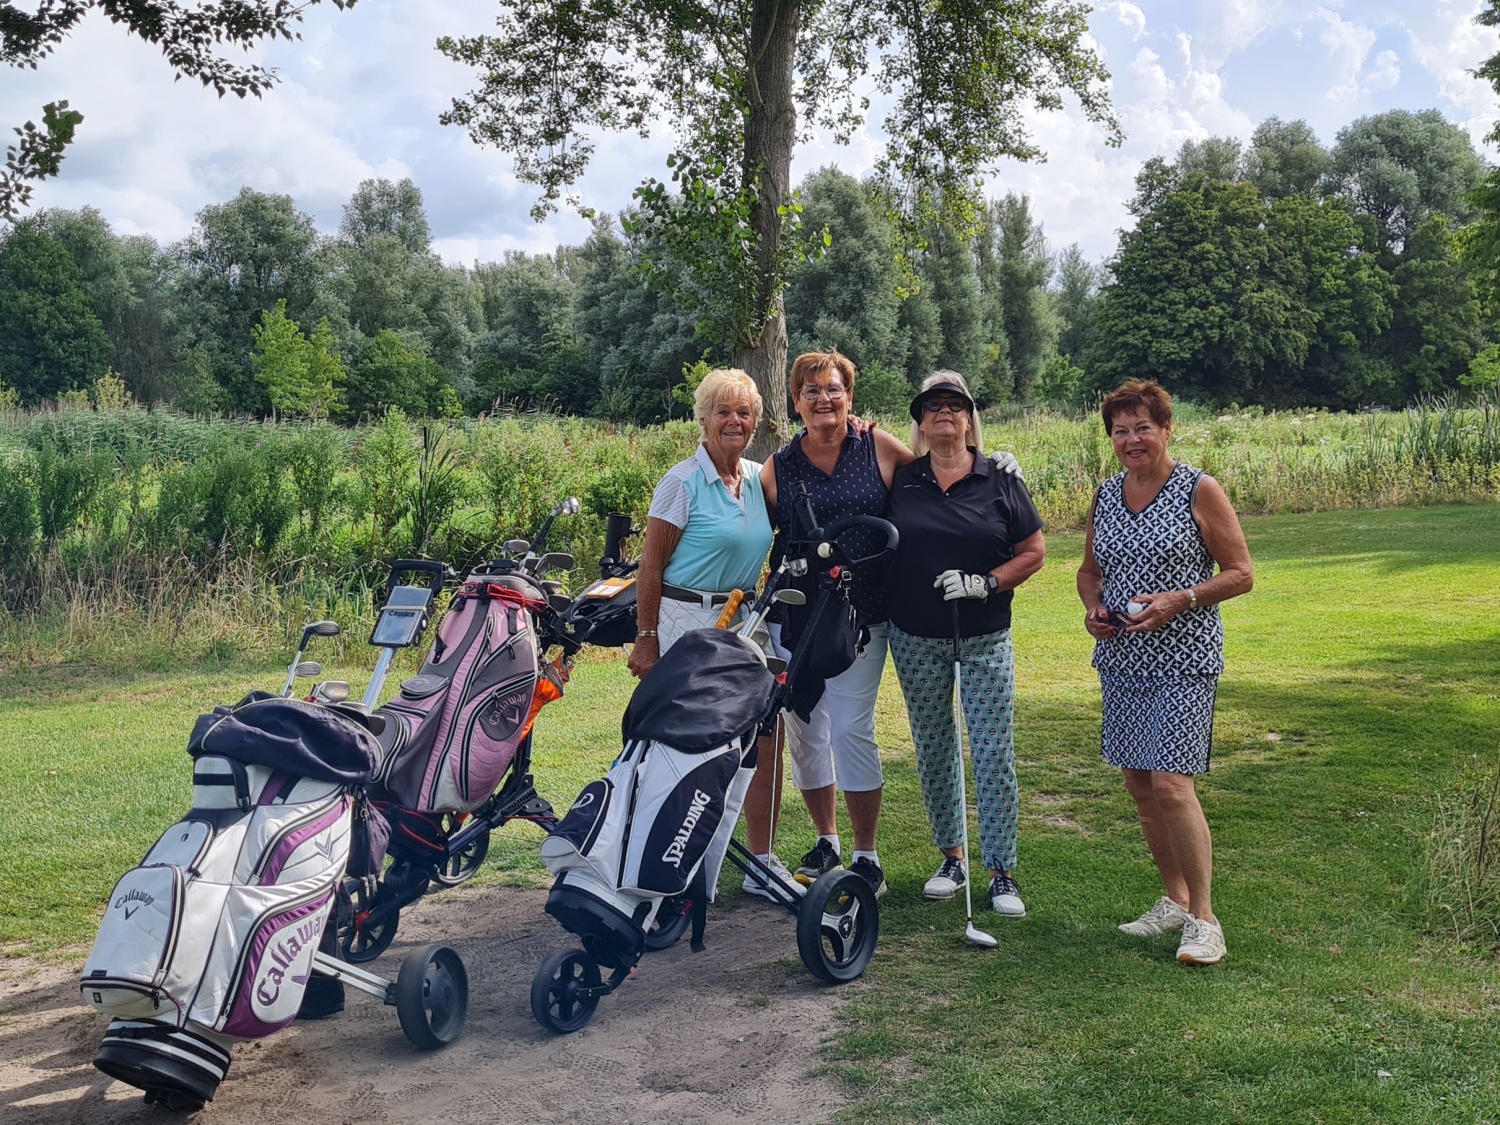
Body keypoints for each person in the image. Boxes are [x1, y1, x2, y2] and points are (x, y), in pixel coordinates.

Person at [1077, 379, 1253, 966]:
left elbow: (1241, 572)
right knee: (1140, 785)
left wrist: (1181, 598)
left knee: (1173, 785)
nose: (1131, 439)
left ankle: (1205, 920)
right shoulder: (1106, 495)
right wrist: (1093, 610)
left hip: (1185, 660)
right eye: (1120, 431)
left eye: (1142, 428)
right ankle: (1175, 900)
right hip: (1123, 659)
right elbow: (1090, 572)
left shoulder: (1198, 489)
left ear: (1166, 429)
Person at [625, 368, 802, 903]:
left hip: (744, 621)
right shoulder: (680, 482)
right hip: (685, 621)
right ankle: (656, 857)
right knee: (682, 741)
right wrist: (646, 637)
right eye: (722, 411)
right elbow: (650, 567)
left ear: (756, 422)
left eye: (744, 413)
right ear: (703, 418)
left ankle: (761, 861)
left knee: (764, 733)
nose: (734, 421)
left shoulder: (758, 478)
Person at [757, 350, 916, 897]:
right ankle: (826, 839)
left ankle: (866, 854)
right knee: (806, 733)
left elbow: (940, 480)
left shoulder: (879, 446)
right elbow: (753, 530)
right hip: (797, 616)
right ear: (795, 402)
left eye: (833, 389)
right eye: (812, 391)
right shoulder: (778, 466)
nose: (824, 399)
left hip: (862, 616)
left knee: (850, 729)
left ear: (850, 396)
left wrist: (993, 467)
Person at [885, 372, 1045, 915]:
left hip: (984, 636)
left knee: (993, 750)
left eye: (955, 405)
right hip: (915, 636)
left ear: (969, 417)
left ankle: (1001, 870)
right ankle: (952, 858)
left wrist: (987, 582)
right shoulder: (903, 479)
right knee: (934, 747)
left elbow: (1033, 552)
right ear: (920, 420)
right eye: (933, 406)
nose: (944, 413)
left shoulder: (1000, 477)